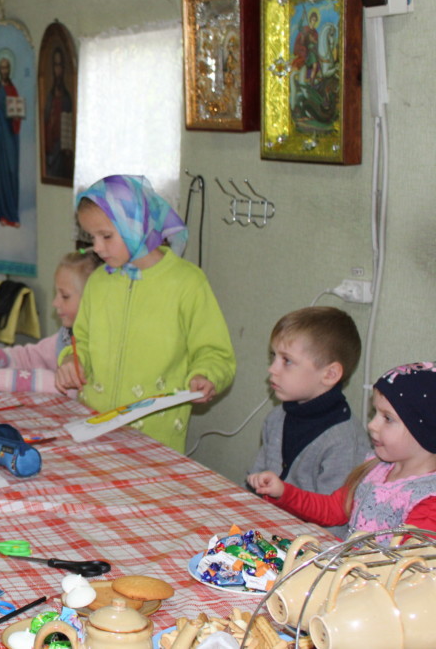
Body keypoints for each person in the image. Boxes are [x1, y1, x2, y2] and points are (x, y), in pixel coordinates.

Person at [56, 174, 236, 452]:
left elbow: (215, 351)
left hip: (155, 437)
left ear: (135, 224)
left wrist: (206, 374)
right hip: (94, 426)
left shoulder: (186, 282)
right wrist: (71, 363)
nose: (98, 248)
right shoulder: (98, 282)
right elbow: (81, 343)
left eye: (106, 236)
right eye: (91, 237)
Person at [248, 362, 436, 538]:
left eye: (387, 418)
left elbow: (411, 567)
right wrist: (284, 492)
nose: (372, 425)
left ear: (425, 432)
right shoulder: (376, 468)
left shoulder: (428, 502)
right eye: (375, 413)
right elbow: (333, 509)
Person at [246, 307, 370, 536]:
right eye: (274, 356)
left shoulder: (343, 439)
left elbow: (335, 521)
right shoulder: (276, 418)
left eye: (287, 361)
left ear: (330, 374)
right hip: (267, 534)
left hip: (313, 550)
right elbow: (256, 485)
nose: (272, 369)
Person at [0, 250, 100, 394]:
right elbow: (30, 357)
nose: (55, 303)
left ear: (93, 301)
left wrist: (9, 380)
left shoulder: (102, 343)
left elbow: (73, 388)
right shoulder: (66, 335)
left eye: (65, 296)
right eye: (56, 294)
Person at [0, 56, 22, 226]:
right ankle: (2, 215)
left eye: (7, 68)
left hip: (10, 138)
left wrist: (16, 117)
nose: (4, 71)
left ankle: (13, 215)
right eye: (2, 68)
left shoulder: (13, 90)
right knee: (1, 174)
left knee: (11, 173)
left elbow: (18, 112)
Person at [42, 47, 74, 180]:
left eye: (60, 65)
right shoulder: (49, 96)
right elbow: (45, 120)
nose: (58, 70)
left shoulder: (67, 97)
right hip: (50, 147)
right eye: (55, 66)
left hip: (61, 149)